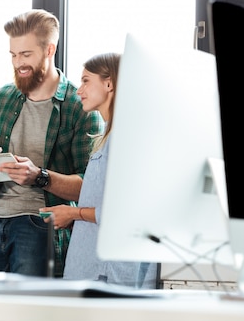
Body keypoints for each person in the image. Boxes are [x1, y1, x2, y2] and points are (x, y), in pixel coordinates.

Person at [0, 9, 103, 282]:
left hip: (39, 223)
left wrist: (39, 176)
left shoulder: (79, 105)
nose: (18, 63)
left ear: (49, 49)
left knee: (25, 314)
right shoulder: (1, 98)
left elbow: (92, 187)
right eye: (13, 55)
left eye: (26, 55)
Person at [40, 53, 157, 288]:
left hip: (106, 274)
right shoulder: (108, 137)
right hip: (92, 270)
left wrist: (73, 213)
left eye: (85, 81)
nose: (78, 90)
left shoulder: (126, 138)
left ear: (109, 83)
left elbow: (126, 214)